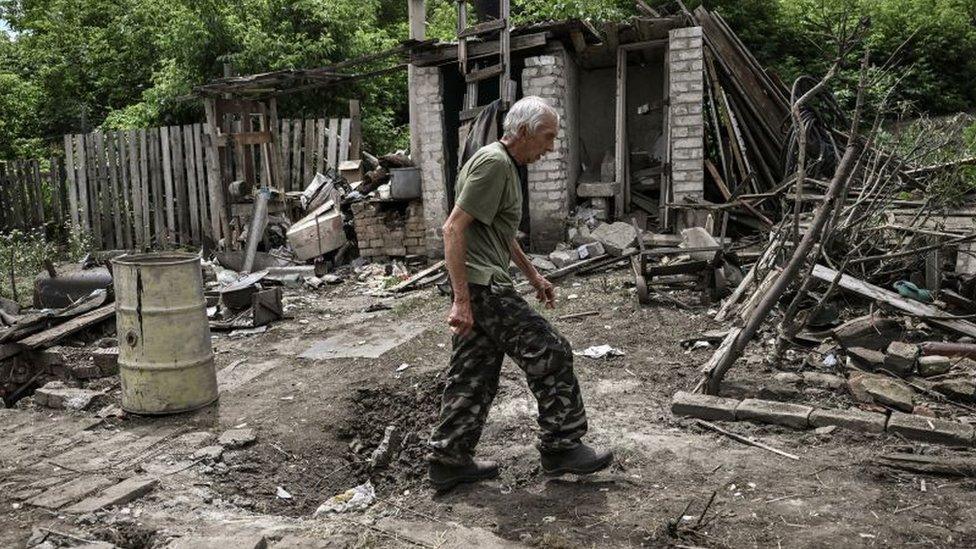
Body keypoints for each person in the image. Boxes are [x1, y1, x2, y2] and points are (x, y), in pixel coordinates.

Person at [427, 96, 613, 491]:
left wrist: (533, 277)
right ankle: (561, 446)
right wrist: (462, 300)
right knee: (551, 350)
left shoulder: (503, 164)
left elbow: (500, 231)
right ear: (524, 131)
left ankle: (449, 460)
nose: (549, 148)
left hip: (484, 284)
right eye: (546, 138)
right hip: (482, 287)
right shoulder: (495, 164)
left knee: (473, 374)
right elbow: (452, 229)